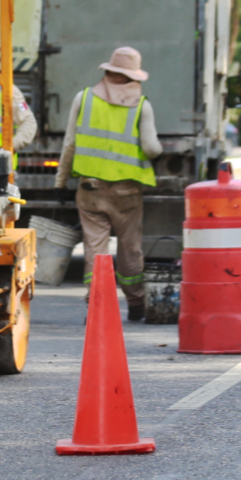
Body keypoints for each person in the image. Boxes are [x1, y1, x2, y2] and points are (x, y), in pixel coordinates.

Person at [53, 47, 162, 321]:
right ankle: (136, 303)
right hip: (127, 192)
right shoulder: (142, 105)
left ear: (110, 71)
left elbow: (70, 144)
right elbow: (151, 148)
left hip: (90, 189)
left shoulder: (84, 98)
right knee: (129, 247)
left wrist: (61, 180)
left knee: (95, 248)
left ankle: (97, 303)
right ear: (131, 77)